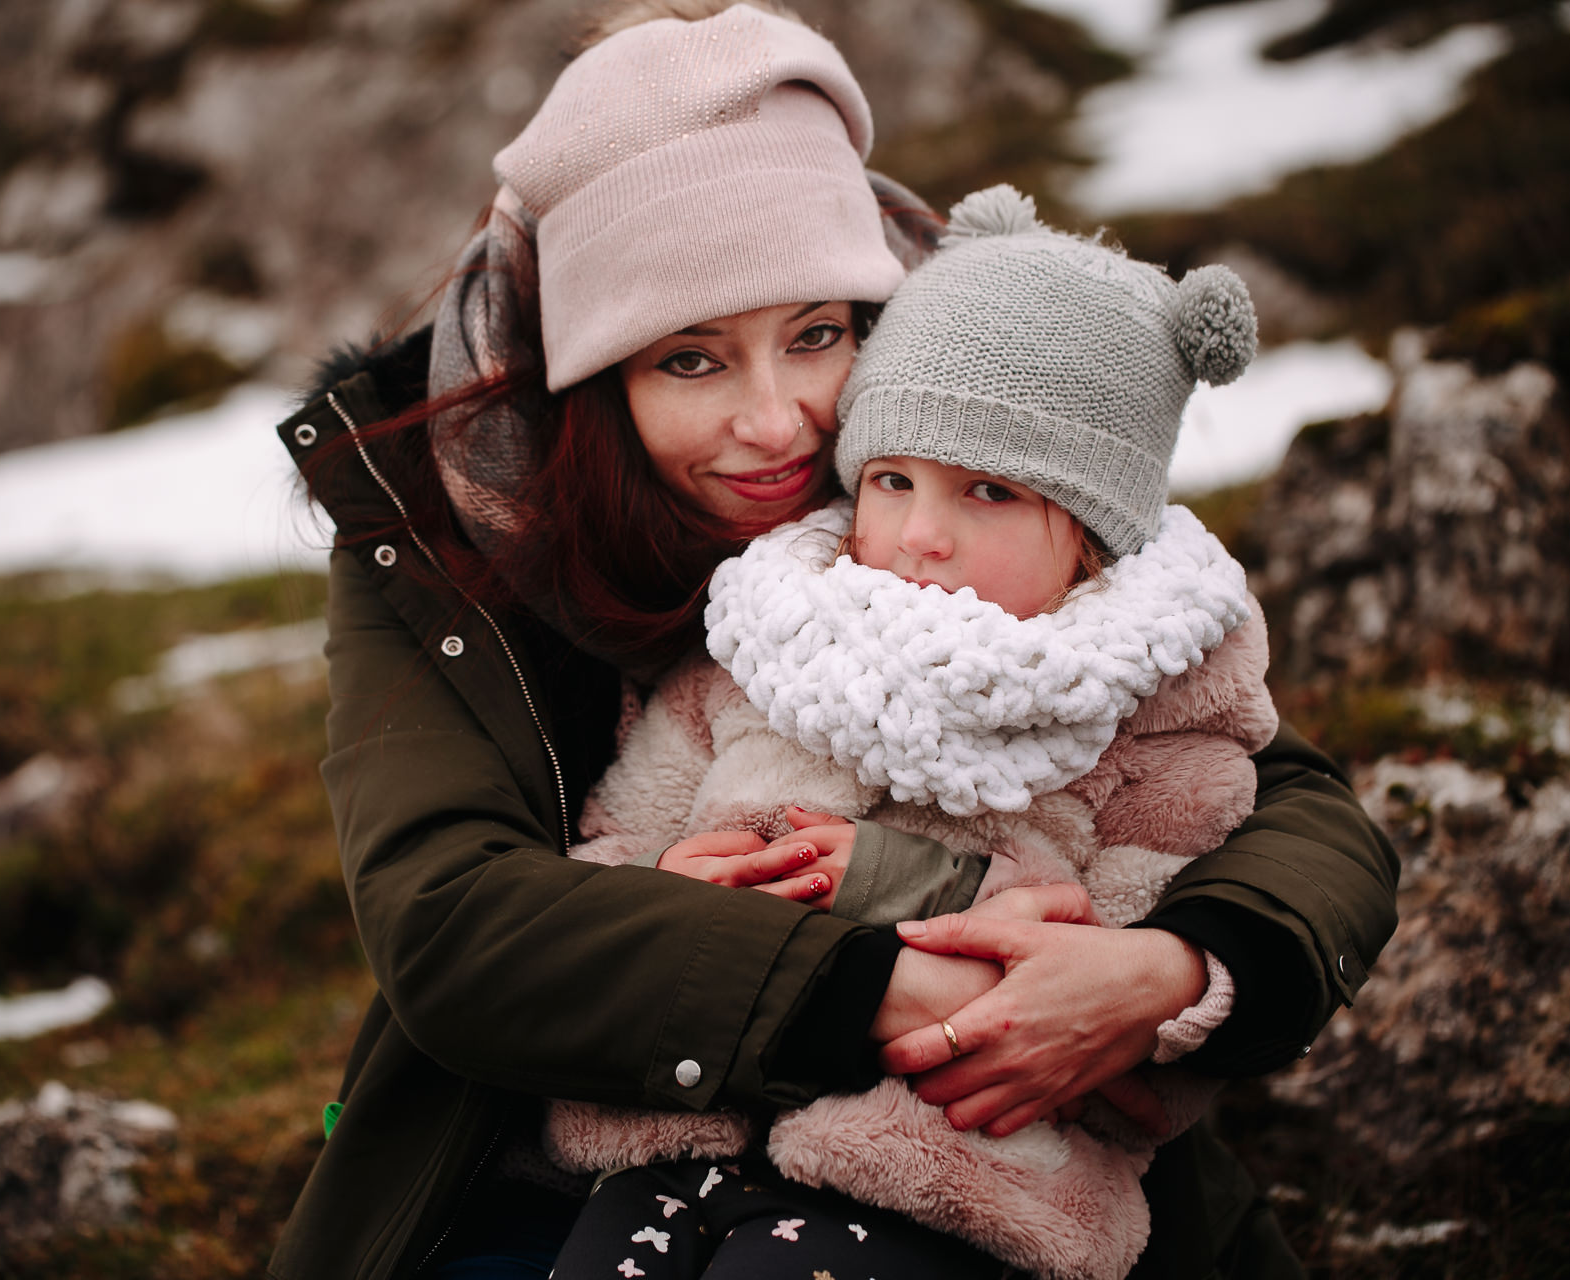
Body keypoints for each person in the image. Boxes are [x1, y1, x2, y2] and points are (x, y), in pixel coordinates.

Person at [268, 5, 1398, 1278]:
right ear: (596, 383)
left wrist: (1166, 965)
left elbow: (1290, 799)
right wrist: (862, 986)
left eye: (817, 332)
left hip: (976, 1155)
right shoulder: (446, 533)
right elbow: (451, 917)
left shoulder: (971, 433)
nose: (780, 423)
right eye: (691, 359)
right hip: (549, 1139)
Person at [543, 184, 1280, 1280]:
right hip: (686, 1140)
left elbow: (1121, 1017)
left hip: (952, 1178)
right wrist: (664, 892)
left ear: (1094, 537)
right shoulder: (762, 644)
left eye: (988, 490)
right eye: (892, 479)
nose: (921, 535)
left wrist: (900, 884)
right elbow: (602, 857)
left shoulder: (1152, 716)